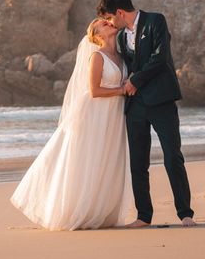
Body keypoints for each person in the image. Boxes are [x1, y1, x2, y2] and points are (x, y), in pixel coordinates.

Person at [10, 18, 135, 230]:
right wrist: (121, 90)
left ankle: (101, 209)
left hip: (113, 114)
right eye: (104, 24)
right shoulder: (97, 57)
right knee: (89, 158)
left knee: (107, 158)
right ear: (98, 36)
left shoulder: (122, 57)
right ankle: (78, 210)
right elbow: (94, 90)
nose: (109, 23)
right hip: (95, 113)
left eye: (108, 22)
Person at [97, 0, 196, 227]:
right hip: (136, 106)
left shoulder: (155, 21)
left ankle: (185, 213)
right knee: (138, 163)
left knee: (173, 156)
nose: (110, 23)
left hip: (162, 101)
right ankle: (144, 216)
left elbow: (160, 58)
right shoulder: (121, 38)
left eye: (110, 18)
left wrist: (135, 80)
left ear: (120, 12)